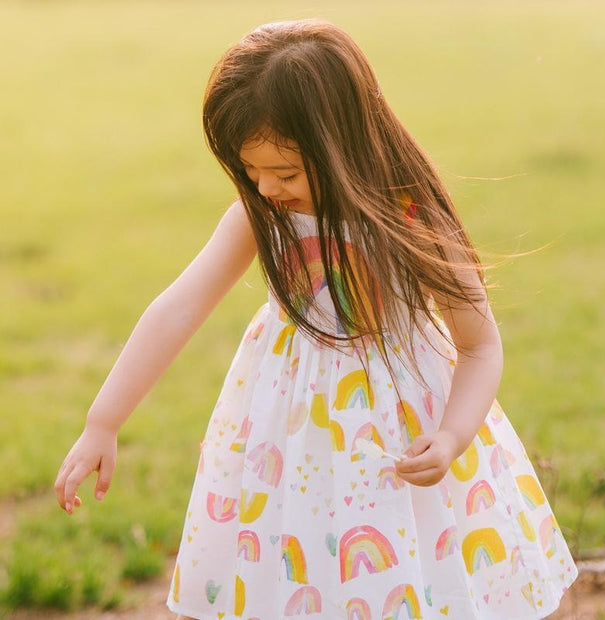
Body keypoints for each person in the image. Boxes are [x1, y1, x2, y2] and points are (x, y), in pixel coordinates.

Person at [54, 19, 577, 620]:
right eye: (251, 171)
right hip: (290, 441)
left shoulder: (410, 217)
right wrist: (103, 421)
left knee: (407, 576)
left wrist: (454, 435)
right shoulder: (261, 215)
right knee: (300, 568)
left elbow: (480, 346)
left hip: (399, 442)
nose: (265, 187)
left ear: (342, 143)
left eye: (286, 172)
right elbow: (180, 306)